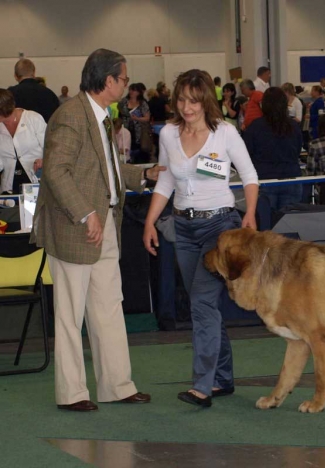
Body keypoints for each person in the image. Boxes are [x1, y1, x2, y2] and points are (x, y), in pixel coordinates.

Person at [31, 48, 164, 412]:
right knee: (70, 314)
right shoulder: (71, 116)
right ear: (108, 81)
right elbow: (56, 172)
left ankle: (117, 386)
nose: (126, 84)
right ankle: (72, 393)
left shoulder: (103, 116)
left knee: (108, 307)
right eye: (123, 79)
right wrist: (85, 213)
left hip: (106, 223)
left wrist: (146, 174)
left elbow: (108, 170)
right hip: (76, 227)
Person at [143, 69, 258, 409]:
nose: (187, 107)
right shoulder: (167, 134)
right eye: (181, 99)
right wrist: (150, 222)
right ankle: (222, 378)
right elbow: (165, 182)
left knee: (202, 303)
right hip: (183, 227)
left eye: (193, 100)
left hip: (220, 228)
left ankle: (202, 386)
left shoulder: (225, 133)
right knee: (204, 306)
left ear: (206, 99)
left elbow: (249, 175)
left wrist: (249, 213)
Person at [243, 87, 303, 210]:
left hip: (264, 180)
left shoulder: (255, 127)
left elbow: (247, 154)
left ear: (263, 104)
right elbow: (298, 150)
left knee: (265, 225)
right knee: (290, 225)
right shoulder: (293, 126)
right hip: (292, 178)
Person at [0, 89, 45, 193]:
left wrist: (44, 160)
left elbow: (52, 147)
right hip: (9, 186)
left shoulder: (33, 118)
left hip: (37, 181)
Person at [8, 58, 59, 123]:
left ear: (15, 76)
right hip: (44, 132)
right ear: (34, 73)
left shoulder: (9, 95)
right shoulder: (49, 94)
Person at [118, 83, 151, 162]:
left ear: (138, 92)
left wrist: (137, 118)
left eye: (134, 90)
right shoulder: (123, 101)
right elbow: (119, 111)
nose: (131, 92)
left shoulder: (142, 103)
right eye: (130, 90)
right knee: (126, 146)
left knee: (139, 150)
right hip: (126, 128)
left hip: (139, 131)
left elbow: (147, 118)